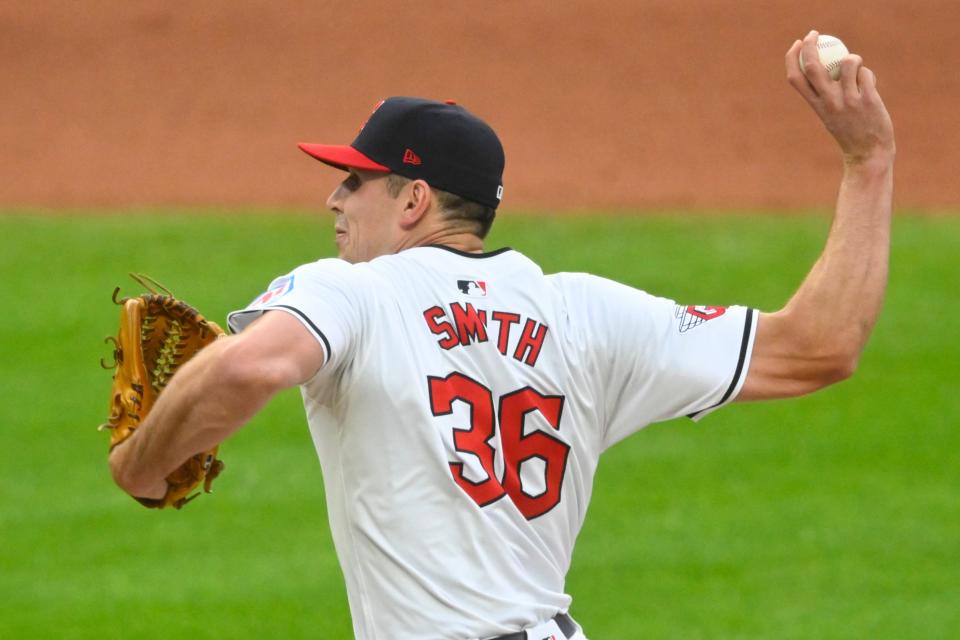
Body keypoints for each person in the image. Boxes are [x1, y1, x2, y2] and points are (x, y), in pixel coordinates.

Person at [110, 31, 895, 640]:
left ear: (413, 199)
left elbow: (253, 367)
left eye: (355, 179)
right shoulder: (588, 314)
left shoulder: (347, 291)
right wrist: (868, 164)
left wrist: (143, 465)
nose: (333, 199)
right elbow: (818, 347)